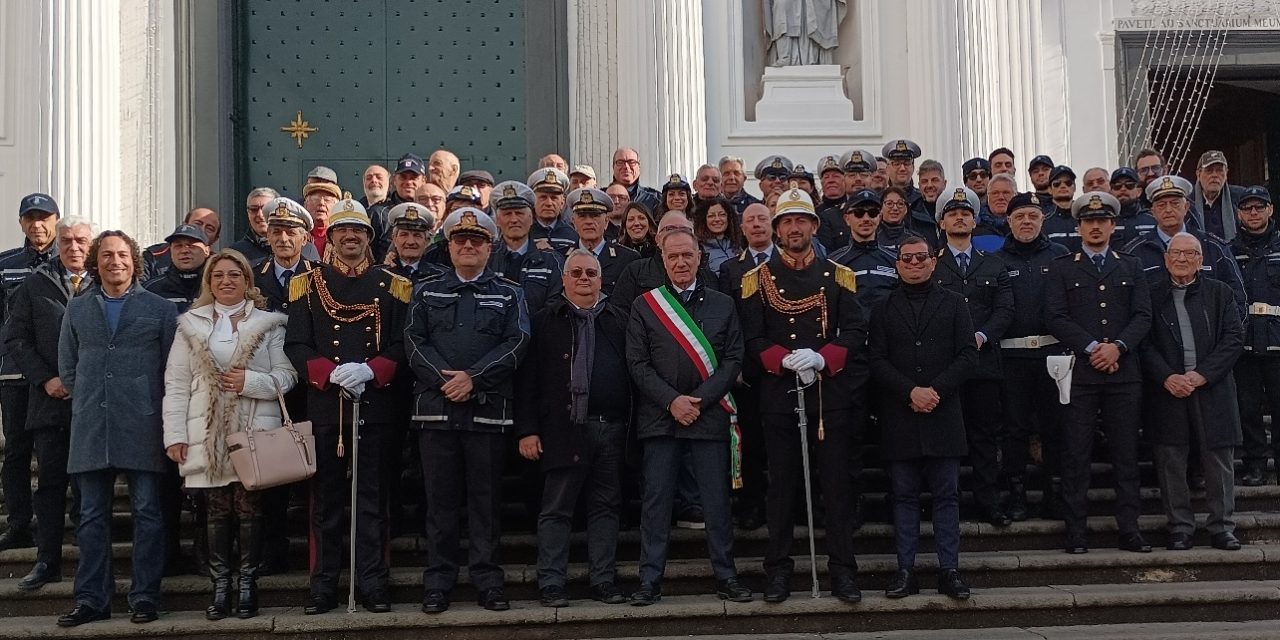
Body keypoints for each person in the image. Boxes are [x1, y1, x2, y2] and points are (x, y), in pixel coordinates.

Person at [740, 187, 866, 604]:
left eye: (801, 221)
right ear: (776, 229)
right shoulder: (755, 280)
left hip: (828, 397)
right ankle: (777, 572)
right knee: (782, 488)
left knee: (835, 487)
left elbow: (854, 331)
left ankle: (843, 571)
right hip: (779, 396)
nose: (795, 229)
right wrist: (782, 360)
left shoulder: (837, 275)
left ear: (814, 225)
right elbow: (752, 337)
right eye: (787, 222)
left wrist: (822, 358)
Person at [284, 199, 411, 615]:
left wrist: (371, 370)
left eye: (358, 231)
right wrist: (327, 372)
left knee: (373, 499)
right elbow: (296, 343)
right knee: (326, 502)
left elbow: (400, 344)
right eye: (342, 231)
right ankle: (323, 586)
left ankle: (372, 583)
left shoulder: (392, 285)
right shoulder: (306, 283)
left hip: (375, 405)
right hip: (326, 406)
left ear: (368, 238)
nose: (351, 237)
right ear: (331, 237)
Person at [162, 249, 298, 620]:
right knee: (216, 509)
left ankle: (248, 584)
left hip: (254, 430)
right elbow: (176, 384)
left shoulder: (270, 325)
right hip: (205, 432)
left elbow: (288, 376)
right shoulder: (189, 324)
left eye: (234, 275)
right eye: (218, 275)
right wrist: (174, 435)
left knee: (250, 507)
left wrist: (250, 382)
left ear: (247, 282)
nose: (226, 281)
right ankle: (221, 586)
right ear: (209, 282)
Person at [406, 208, 529, 614]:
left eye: (477, 241)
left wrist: (474, 378)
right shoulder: (425, 290)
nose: (468, 246)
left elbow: (517, 342)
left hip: (487, 410)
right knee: (439, 504)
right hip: (436, 411)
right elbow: (413, 341)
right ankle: (438, 581)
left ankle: (488, 580)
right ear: (450, 247)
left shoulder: (510, 292)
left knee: (486, 503)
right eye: (460, 240)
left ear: (489, 247)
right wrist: (447, 381)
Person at [55, 231, 177, 627]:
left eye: (122, 255)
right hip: (91, 423)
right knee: (90, 515)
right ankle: (91, 599)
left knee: (147, 512)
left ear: (134, 261)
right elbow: (68, 367)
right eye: (107, 255)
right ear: (96, 260)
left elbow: (170, 369)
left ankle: (144, 596)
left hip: (142, 422)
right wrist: (90, 395)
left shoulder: (159, 309)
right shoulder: (77, 308)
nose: (115, 262)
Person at [625, 228, 750, 606]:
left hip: (708, 416)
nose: (680, 262)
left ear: (700, 257)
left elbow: (732, 359)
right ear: (663, 260)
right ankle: (649, 579)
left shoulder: (722, 304)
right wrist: (672, 401)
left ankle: (726, 576)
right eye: (673, 256)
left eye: (687, 255)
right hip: (661, 419)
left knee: (715, 503)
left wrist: (697, 399)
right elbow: (637, 363)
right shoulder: (645, 305)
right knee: (657, 503)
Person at [517, 250, 631, 607]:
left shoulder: (620, 320)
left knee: (606, 508)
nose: (584, 279)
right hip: (562, 430)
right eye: (577, 273)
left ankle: (603, 580)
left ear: (601, 279)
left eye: (591, 273)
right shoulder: (544, 321)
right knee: (556, 509)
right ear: (564, 279)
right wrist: (527, 430)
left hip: (610, 429)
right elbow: (527, 382)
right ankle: (551, 582)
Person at [868, 234, 977, 600]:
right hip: (901, 413)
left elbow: (967, 356)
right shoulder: (882, 308)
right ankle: (905, 570)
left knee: (947, 496)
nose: (914, 264)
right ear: (897, 264)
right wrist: (909, 392)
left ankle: (950, 570)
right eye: (906, 259)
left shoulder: (955, 303)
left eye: (920, 258)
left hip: (943, 413)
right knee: (904, 497)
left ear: (934, 261)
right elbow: (876, 360)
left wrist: (935, 391)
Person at [1045, 192, 1152, 555]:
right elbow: (1056, 316)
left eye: (1102, 221)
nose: (1095, 226)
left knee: (1125, 453)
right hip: (1082, 373)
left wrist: (1117, 347)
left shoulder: (1131, 265)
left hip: (1123, 373)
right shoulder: (1063, 266)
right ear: (1078, 227)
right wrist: (1093, 348)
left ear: (1113, 225)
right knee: (1076, 455)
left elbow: (1143, 316)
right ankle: (1076, 532)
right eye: (1088, 221)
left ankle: (1130, 529)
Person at [4, 215, 95, 592]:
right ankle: (47, 561)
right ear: (57, 244)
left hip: (95, 403)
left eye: (81, 241)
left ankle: (91, 560)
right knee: (51, 484)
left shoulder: (107, 281)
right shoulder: (34, 284)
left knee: (91, 485)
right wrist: (47, 379)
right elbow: (16, 341)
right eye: (67, 241)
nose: (74, 248)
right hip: (50, 401)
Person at [1140, 232, 1244, 551]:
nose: (1182, 259)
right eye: (1176, 253)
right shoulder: (1151, 295)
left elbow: (1233, 338)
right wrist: (1167, 376)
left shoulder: (1220, 293)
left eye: (1190, 253)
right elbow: (1143, 343)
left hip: (1211, 386)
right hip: (1168, 388)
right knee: (1171, 457)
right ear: (1165, 258)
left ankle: (1222, 527)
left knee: (1218, 458)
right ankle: (1180, 527)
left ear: (1201, 260)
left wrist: (1202, 375)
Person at [932, 186, 1015, 527]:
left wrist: (981, 335)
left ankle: (987, 500)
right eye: (953, 213)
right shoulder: (932, 265)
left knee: (983, 436)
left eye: (965, 213)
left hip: (983, 363)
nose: (960, 217)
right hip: (945, 367)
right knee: (947, 436)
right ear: (941, 222)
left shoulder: (994, 265)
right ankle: (947, 501)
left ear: (976, 220)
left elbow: (1005, 310)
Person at [247, 197, 316, 575]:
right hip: (267, 389)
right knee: (270, 474)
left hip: (312, 388)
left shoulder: (320, 276)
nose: (283, 237)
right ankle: (272, 551)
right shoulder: (252, 277)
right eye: (276, 230)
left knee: (315, 474)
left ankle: (317, 554)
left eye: (291, 231)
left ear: (305, 236)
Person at [994, 192, 1070, 521]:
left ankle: (1054, 493)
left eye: (1033, 216)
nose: (1026, 221)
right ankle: (1017, 494)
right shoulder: (994, 259)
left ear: (1043, 220)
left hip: (1053, 355)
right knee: (1014, 429)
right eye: (1020, 216)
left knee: (1055, 427)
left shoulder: (1061, 256)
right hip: (1012, 358)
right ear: (1008, 221)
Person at [0, 193, 60, 554]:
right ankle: (19, 522)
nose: (37, 225)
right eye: (30, 218)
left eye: (44, 217)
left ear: (56, 220)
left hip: (55, 374)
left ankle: (56, 522)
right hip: (14, 374)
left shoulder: (70, 260)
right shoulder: (5, 263)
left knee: (53, 450)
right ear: (21, 223)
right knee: (17, 452)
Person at [716, 203, 776, 530]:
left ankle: (786, 503)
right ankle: (752, 504)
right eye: (750, 220)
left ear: (773, 224)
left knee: (785, 443)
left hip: (785, 370)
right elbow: (728, 320)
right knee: (750, 443)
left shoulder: (791, 261)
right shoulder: (730, 270)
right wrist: (734, 364)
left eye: (762, 219)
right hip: (749, 374)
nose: (756, 225)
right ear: (742, 227)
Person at [1122, 175, 1247, 315]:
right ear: (1153, 212)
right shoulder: (1135, 252)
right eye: (1162, 205)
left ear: (1186, 207)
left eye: (1175, 203)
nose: (1168, 210)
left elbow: (1237, 296)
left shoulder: (1213, 247)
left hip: (1209, 334)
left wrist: (1232, 336)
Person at [1230, 186, 1280, 486]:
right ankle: (1255, 466)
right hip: (1244, 344)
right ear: (1239, 213)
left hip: (1277, 342)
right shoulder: (1229, 250)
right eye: (1247, 208)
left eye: (1259, 207)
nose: (1253, 213)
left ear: (1270, 210)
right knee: (1247, 410)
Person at [487, 181, 567, 315]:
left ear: (531, 219)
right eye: (507, 214)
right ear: (498, 221)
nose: (514, 220)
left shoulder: (552, 261)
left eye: (519, 213)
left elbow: (554, 307)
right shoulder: (486, 258)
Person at [830, 189, 898, 322]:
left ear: (880, 217)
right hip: (852, 338)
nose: (866, 219)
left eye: (872, 213)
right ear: (847, 219)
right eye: (859, 213)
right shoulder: (834, 262)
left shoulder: (896, 259)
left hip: (888, 336)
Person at [567, 187, 639, 296]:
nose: (588, 222)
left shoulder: (627, 259)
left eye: (595, 215)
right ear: (573, 222)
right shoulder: (560, 258)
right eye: (582, 216)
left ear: (606, 222)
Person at [144, 224, 211, 312]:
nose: (184, 251)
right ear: (170, 251)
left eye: (191, 245)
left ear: (207, 251)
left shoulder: (216, 287)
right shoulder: (151, 290)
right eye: (178, 246)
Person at [143, 207, 220, 279]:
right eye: (197, 224)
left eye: (210, 229)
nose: (201, 230)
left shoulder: (218, 265)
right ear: (184, 224)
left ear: (215, 239)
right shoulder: (152, 257)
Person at [1191, 150, 1246, 242]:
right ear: (1198, 173)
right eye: (1209, 170)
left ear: (1226, 173)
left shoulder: (1241, 196)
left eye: (1219, 170)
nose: (1214, 175)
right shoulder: (1187, 199)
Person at [528, 167, 578, 251]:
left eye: (554, 198)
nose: (549, 203)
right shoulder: (524, 234)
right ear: (533, 201)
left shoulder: (572, 235)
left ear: (562, 203)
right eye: (543, 197)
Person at [694, 196, 742, 274]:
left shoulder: (737, 245)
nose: (717, 219)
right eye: (711, 216)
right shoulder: (698, 248)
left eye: (722, 215)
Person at [815, 154, 850, 251]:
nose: (830, 180)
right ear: (821, 183)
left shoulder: (853, 211)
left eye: (836, 176)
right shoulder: (814, 213)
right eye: (826, 177)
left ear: (845, 180)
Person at [1042, 166, 1081, 251]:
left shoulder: (1084, 217)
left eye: (1068, 183)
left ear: (1074, 187)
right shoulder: (1042, 219)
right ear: (1049, 189)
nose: (1063, 186)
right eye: (1057, 184)